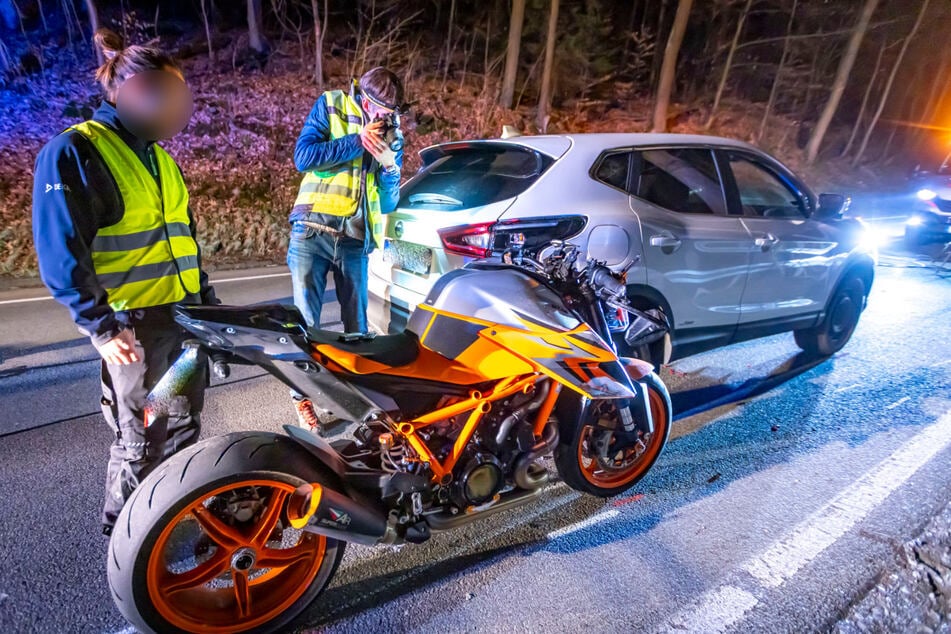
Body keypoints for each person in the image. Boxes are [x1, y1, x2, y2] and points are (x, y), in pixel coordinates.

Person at [31, 29, 217, 536]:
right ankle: (127, 542)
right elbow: (59, 245)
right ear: (128, 91)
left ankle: (171, 525)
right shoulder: (73, 153)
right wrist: (102, 327)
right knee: (141, 439)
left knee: (180, 426)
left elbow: (184, 241)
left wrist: (207, 307)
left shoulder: (161, 161)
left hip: (180, 322)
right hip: (132, 331)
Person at [286, 67, 404, 432]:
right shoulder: (332, 105)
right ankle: (303, 401)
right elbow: (303, 158)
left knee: (359, 329)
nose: (387, 118)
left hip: (355, 239)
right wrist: (357, 141)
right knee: (305, 326)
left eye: (392, 112)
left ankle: (361, 405)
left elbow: (387, 203)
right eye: (382, 110)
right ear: (365, 100)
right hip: (312, 233)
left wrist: (389, 170)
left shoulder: (393, 133)